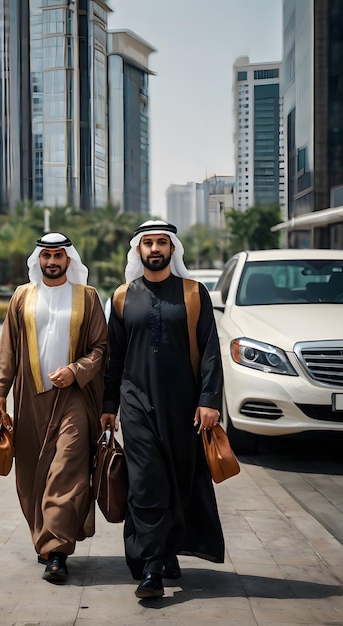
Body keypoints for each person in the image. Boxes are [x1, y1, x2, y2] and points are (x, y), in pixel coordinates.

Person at [101, 220, 225, 599]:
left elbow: (210, 352)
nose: (154, 249)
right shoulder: (123, 297)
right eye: (148, 243)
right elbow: (114, 357)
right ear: (138, 250)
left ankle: (168, 549)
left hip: (183, 406)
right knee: (146, 482)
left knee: (178, 479)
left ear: (172, 249)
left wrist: (208, 401)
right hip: (137, 404)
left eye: (161, 243)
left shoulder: (193, 293)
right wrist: (109, 406)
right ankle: (151, 566)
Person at [0, 233, 107, 584]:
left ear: (70, 259)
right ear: (38, 259)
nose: (52, 261)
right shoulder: (22, 297)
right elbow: (7, 348)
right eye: (46, 255)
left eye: (59, 255)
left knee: (67, 471)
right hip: (29, 398)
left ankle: (57, 551)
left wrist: (76, 370)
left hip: (73, 399)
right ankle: (44, 538)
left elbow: (101, 348)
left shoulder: (88, 298)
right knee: (31, 474)